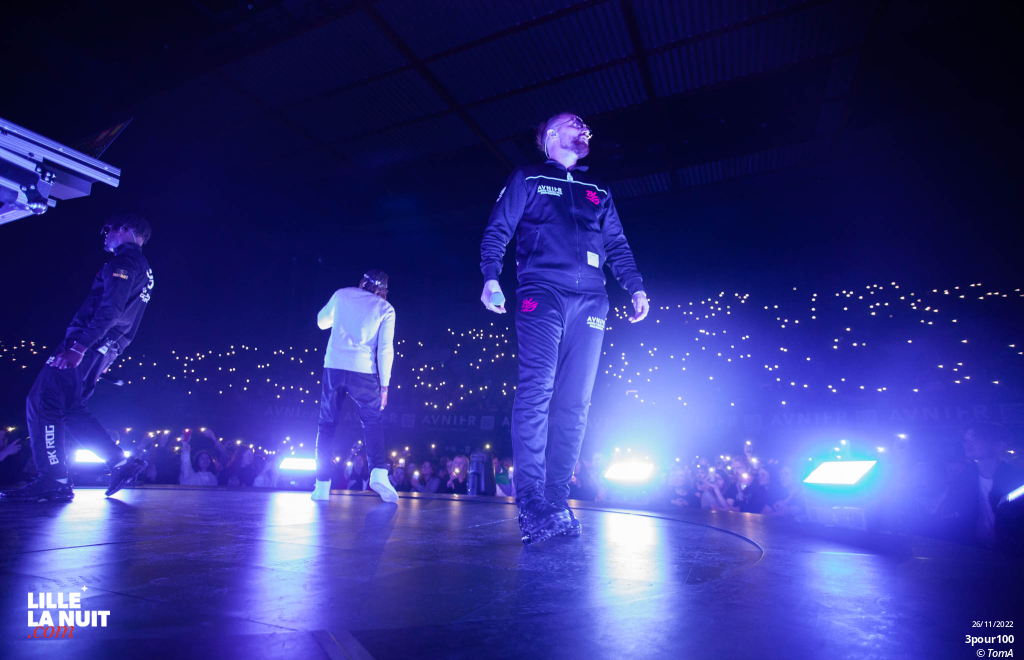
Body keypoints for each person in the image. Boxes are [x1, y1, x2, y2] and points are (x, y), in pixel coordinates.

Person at [479, 112, 649, 544]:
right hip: (543, 292)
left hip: (593, 299)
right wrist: (490, 277)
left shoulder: (598, 190)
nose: (584, 128)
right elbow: (499, 228)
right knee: (538, 389)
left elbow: (617, 244)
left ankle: (556, 498)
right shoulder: (529, 178)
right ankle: (531, 498)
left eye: (585, 125)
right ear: (551, 135)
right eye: (574, 123)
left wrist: (635, 286)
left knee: (576, 401)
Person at [3, 215, 153, 502]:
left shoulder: (122, 263)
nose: (105, 236)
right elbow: (126, 319)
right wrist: (105, 354)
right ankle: (120, 463)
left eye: (107, 230)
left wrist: (80, 346)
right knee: (70, 408)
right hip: (103, 347)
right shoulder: (144, 269)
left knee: (43, 401)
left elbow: (109, 310)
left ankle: (53, 479)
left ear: (125, 229)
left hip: (87, 343)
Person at [311, 270, 398, 504]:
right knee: (372, 421)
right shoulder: (385, 308)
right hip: (364, 372)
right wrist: (385, 386)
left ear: (362, 282)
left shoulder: (342, 295)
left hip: (334, 368)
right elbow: (385, 349)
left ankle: (321, 485)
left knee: (326, 425)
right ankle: (379, 473)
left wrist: (342, 316)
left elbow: (321, 322)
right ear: (384, 291)